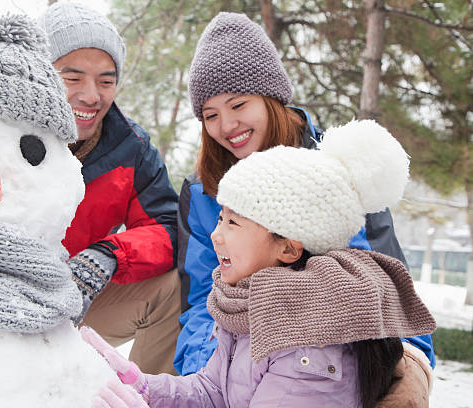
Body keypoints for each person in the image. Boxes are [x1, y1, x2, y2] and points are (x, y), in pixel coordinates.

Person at [82, 119, 436, 408]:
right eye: (220, 219)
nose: (216, 236)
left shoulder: (308, 343)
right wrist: (140, 385)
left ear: (288, 248)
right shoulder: (246, 307)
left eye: (233, 223)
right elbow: (211, 393)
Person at [174, 12, 436, 401]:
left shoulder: (338, 173)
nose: (226, 125)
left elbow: (387, 285)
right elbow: (199, 303)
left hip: (336, 365)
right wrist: (216, 378)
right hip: (240, 363)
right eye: (210, 115)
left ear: (271, 98)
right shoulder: (203, 193)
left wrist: (410, 368)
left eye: (238, 104)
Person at [37, 2, 180, 375]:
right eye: (73, 78)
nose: (91, 96)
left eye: (106, 80)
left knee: (172, 287)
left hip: (75, 303)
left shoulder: (130, 149)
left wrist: (110, 254)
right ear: (39, 73)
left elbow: (168, 226)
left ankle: (147, 397)